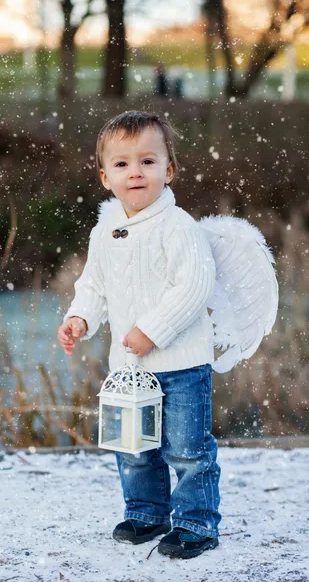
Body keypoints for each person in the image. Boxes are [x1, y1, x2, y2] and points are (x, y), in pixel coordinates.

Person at [57, 111, 221, 560]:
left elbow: (193, 287)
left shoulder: (178, 227)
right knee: (134, 445)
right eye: (123, 164)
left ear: (168, 171)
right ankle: (146, 511)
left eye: (148, 162)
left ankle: (195, 522)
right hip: (129, 369)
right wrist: (81, 319)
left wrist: (152, 330)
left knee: (187, 448)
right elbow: (94, 286)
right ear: (105, 176)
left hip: (182, 363)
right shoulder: (104, 232)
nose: (136, 172)